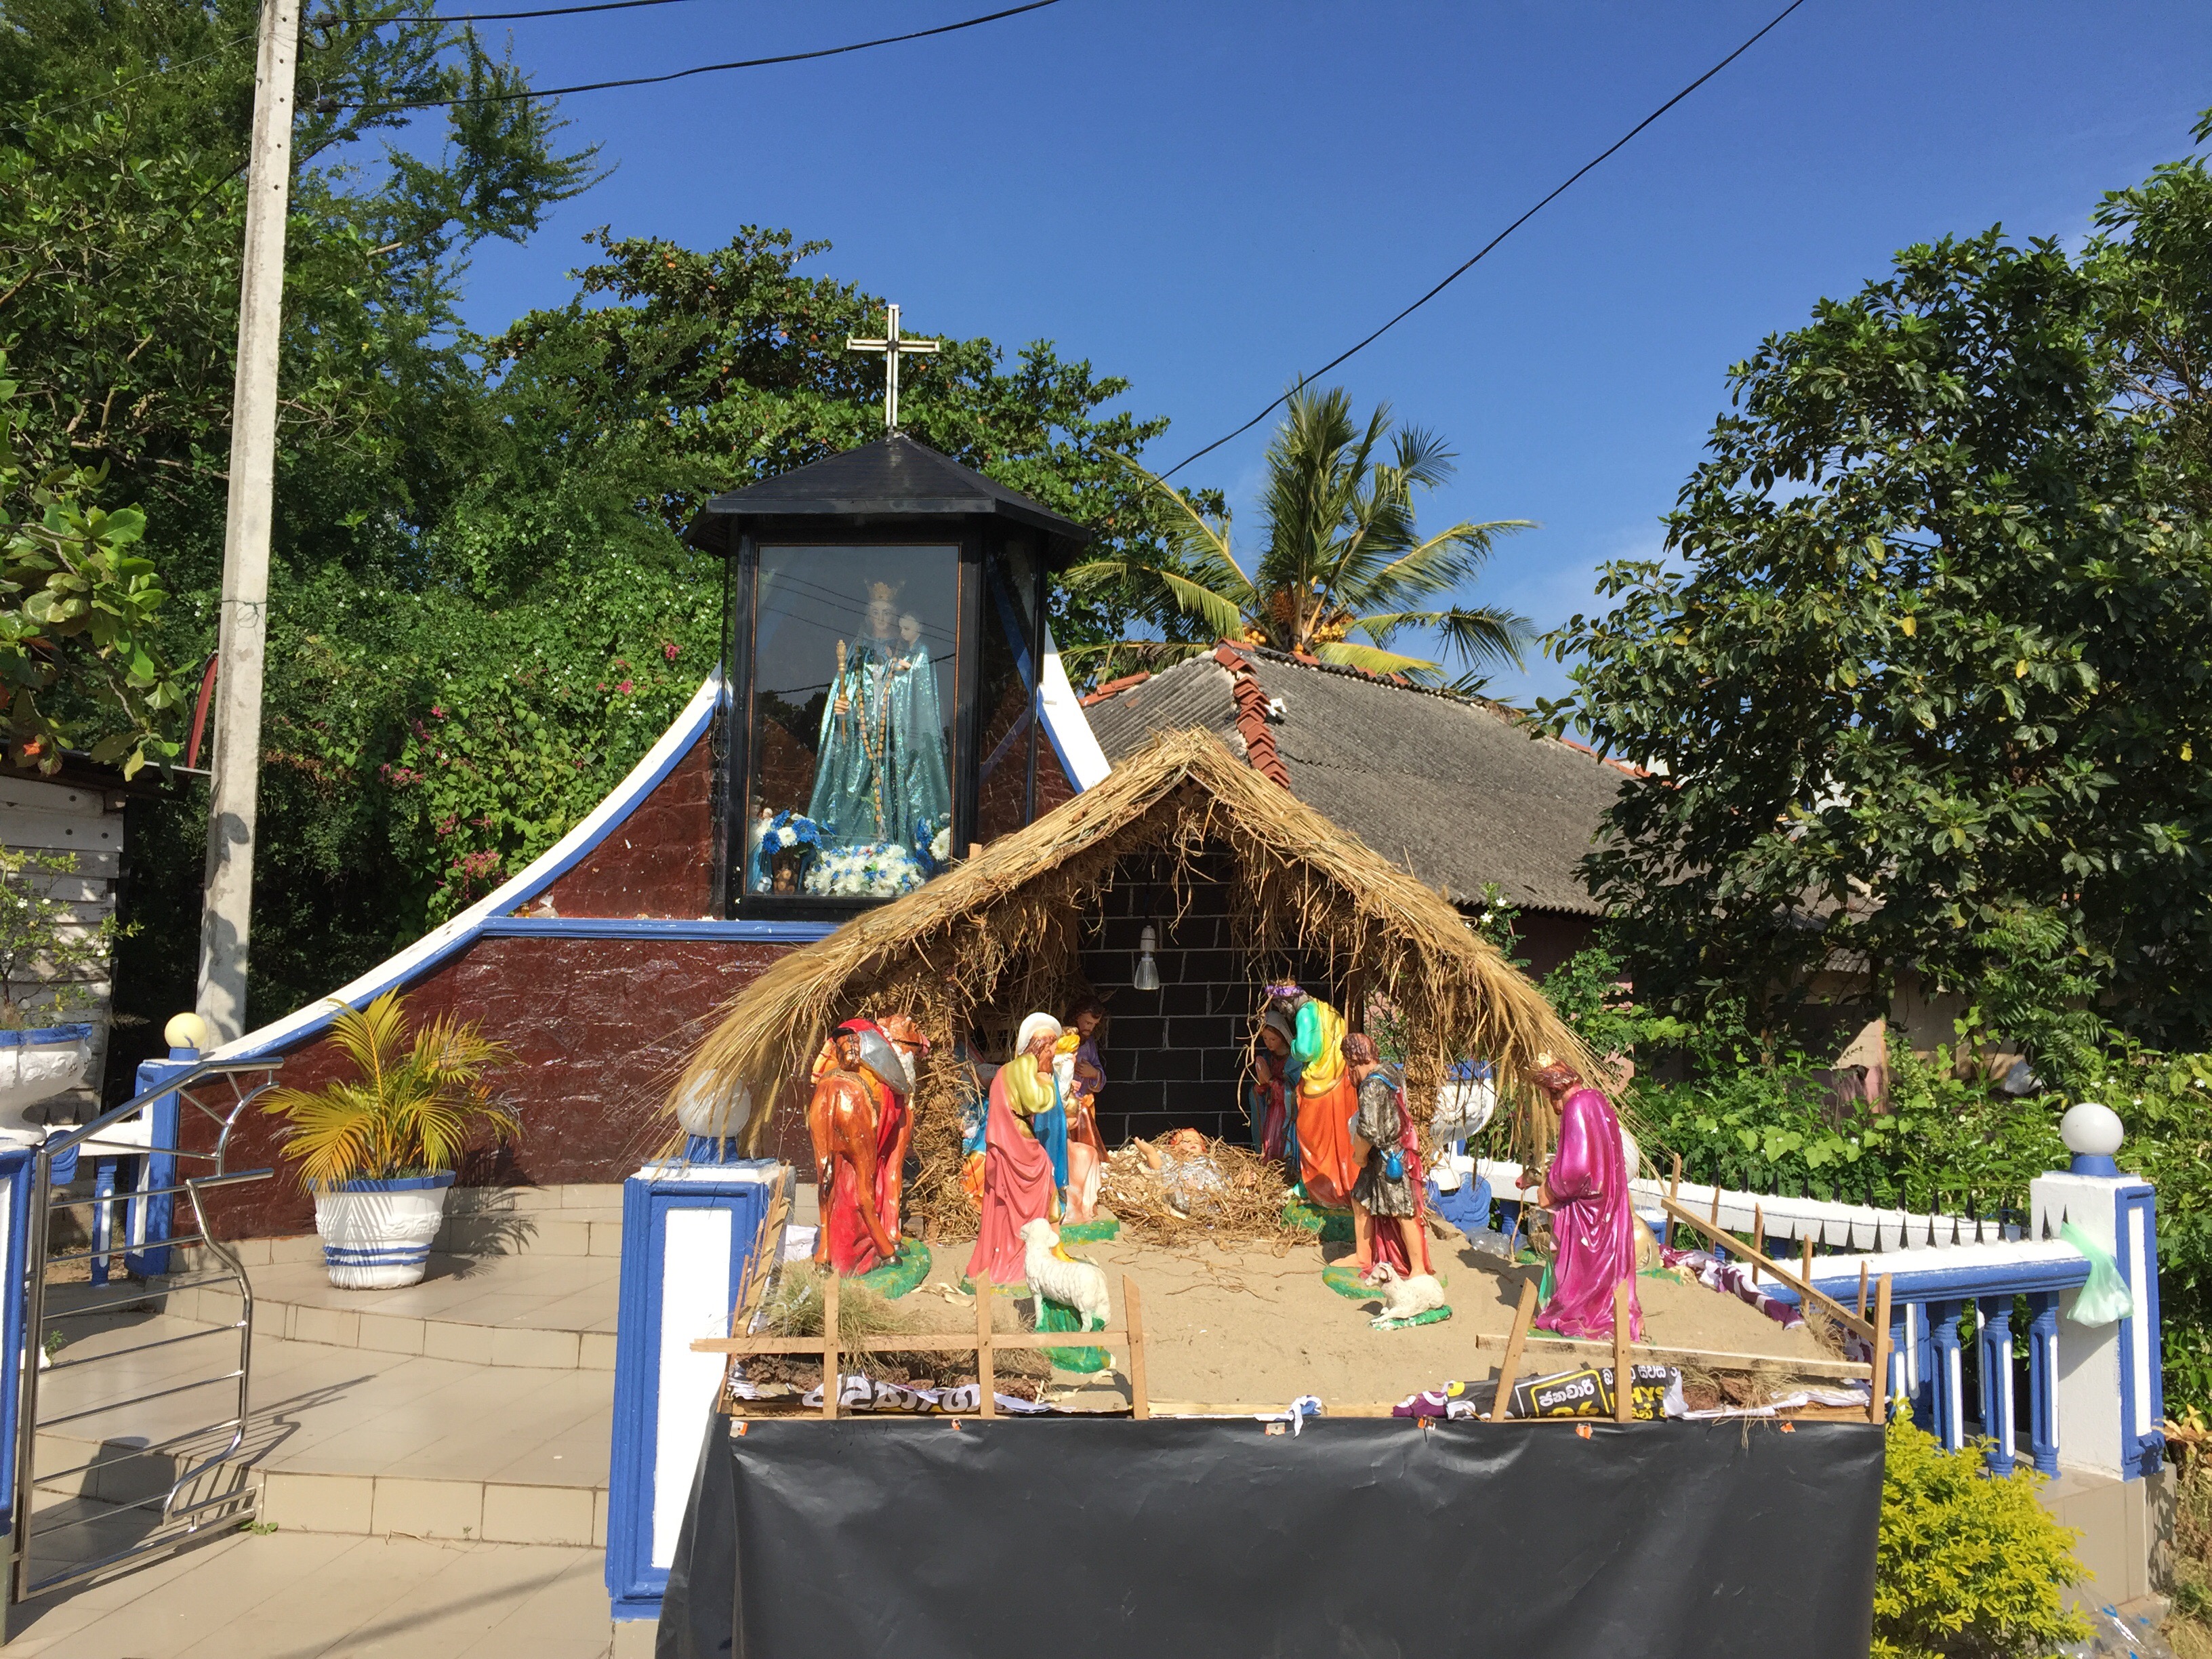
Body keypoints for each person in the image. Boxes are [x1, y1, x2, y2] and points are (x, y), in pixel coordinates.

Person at [807, 581, 952, 855]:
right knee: (855, 796)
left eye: (887, 613)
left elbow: (918, 695)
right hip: (861, 744)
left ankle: (898, 854)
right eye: (876, 612)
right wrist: (842, 708)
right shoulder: (856, 650)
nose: (881, 619)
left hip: (895, 744)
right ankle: (852, 855)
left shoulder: (909, 649)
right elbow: (846, 689)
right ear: (868, 615)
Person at [1524, 1057, 1643, 1342]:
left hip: (1587, 1206)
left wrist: (1550, 1189)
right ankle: (1605, 1309)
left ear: (1555, 1090)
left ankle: (1580, 1312)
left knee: (1583, 1265)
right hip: (1607, 1200)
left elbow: (1575, 1169)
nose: (1550, 1105)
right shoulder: (1596, 1100)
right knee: (1604, 1263)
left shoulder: (1575, 1107)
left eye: (1547, 1095)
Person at [806, 1018, 918, 1277]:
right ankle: (885, 1247)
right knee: (864, 1186)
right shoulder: (880, 1052)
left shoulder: (833, 1060)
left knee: (825, 1179)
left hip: (822, 1100)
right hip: (855, 1102)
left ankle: (824, 1252)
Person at [964, 1012, 1063, 1287]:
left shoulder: (1011, 1068)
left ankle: (1041, 1249)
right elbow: (1037, 1102)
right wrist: (1047, 1082)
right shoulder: (1025, 1065)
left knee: (1027, 1191)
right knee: (1041, 1179)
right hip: (1016, 1145)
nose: (1053, 1055)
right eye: (1052, 1049)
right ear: (1043, 1046)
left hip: (1010, 1141)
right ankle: (1019, 1256)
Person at [1345, 1032, 1432, 1281]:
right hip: (1385, 1155)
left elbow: (1368, 1130)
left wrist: (1359, 1156)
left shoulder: (1371, 1086)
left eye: (1348, 1063)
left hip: (1389, 1158)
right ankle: (1363, 1255)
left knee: (1403, 1212)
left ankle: (1418, 1269)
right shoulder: (1391, 1071)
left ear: (1354, 1059)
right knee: (1360, 1198)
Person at [1269, 985, 1361, 1207]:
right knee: (1338, 1135)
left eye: (1281, 1005)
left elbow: (1306, 1050)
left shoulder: (1305, 1013)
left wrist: (1293, 1044)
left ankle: (1318, 1187)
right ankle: (1338, 1184)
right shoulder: (1326, 1009)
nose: (1282, 1010)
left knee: (1311, 1136)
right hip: (1339, 1080)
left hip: (1320, 1086)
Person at [1061, 998, 1108, 1223]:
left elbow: (1099, 1073)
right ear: (1077, 1016)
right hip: (1064, 1105)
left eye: (1094, 1025)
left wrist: (1093, 1073)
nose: (1090, 1028)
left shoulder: (1089, 1046)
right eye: (1087, 1022)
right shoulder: (1062, 1039)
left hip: (1083, 1107)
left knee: (1087, 1147)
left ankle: (1086, 1193)